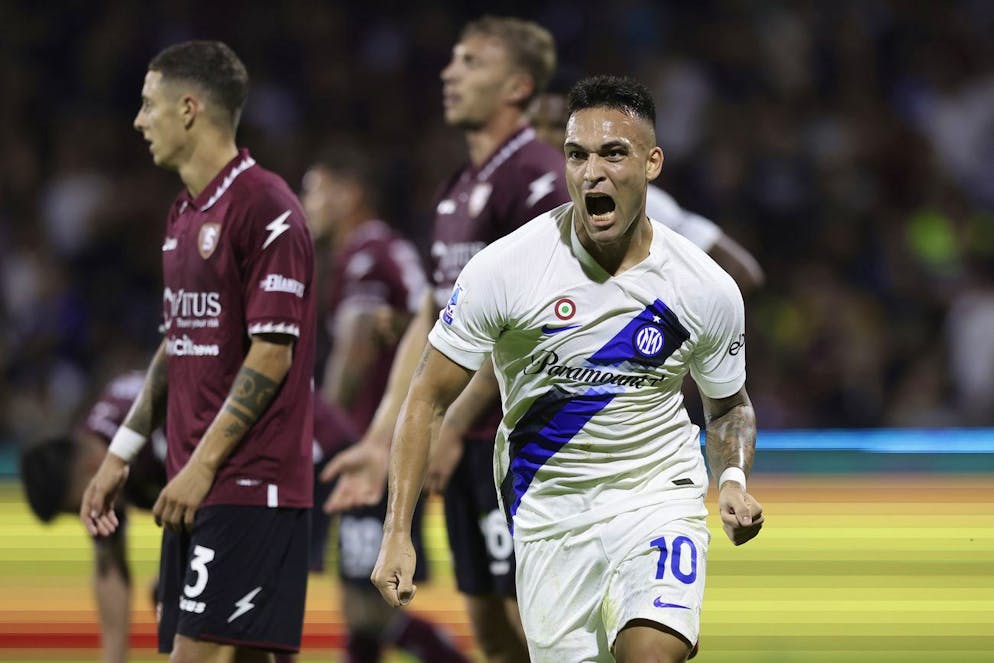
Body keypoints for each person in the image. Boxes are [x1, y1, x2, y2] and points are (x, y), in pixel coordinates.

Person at [371, 75, 765, 663]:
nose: (592, 173)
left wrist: (731, 480)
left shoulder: (703, 287)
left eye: (613, 154)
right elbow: (426, 396)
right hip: (548, 509)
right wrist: (397, 532)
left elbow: (728, 406)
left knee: (650, 653)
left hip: (656, 496)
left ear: (652, 164)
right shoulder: (506, 269)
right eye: (577, 155)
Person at [322, 16, 567, 663]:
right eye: (453, 59)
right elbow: (435, 319)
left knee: (535, 624)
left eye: (471, 62)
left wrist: (451, 425)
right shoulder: (457, 188)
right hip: (466, 446)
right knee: (490, 627)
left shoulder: (539, 178)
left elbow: (525, 324)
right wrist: (380, 440)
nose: (449, 73)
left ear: (518, 86)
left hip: (524, 443)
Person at [79, 40, 316, 663]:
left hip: (248, 482)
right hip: (198, 482)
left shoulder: (266, 207)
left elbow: (271, 354)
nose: (138, 121)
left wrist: (203, 467)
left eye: (148, 105)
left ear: (188, 109)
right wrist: (121, 453)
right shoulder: (184, 213)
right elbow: (177, 342)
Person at [21, 372, 350, 663]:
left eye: (80, 507)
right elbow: (109, 569)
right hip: (252, 478)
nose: (92, 516)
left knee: (213, 595)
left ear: (90, 467)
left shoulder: (157, 430)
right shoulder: (98, 462)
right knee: (188, 595)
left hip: (305, 452)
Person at [301, 150, 467, 663]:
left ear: (349, 193)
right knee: (362, 600)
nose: (306, 205)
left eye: (314, 190)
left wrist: (317, 435)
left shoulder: (366, 253)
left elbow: (354, 354)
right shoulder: (380, 250)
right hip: (393, 439)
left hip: (377, 446)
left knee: (367, 606)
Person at [528, 91, 765, 294]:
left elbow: (740, 271)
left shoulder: (629, 199)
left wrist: (660, 323)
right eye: (533, 125)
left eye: (557, 126)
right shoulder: (510, 196)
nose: (541, 137)